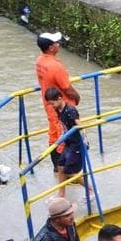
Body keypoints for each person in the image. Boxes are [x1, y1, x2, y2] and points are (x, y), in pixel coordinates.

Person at [36, 32, 80, 196]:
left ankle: (57, 168)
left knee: (54, 133)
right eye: (56, 43)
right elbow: (67, 87)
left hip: (48, 104)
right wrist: (77, 96)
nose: (59, 44)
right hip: (61, 106)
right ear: (51, 47)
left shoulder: (40, 61)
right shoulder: (56, 66)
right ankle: (67, 172)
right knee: (66, 136)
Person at [44, 86, 89, 200]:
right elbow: (62, 125)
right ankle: (61, 193)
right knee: (60, 166)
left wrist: (85, 140)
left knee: (70, 172)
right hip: (68, 142)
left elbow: (81, 125)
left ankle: (91, 189)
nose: (52, 106)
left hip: (76, 143)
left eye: (52, 103)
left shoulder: (71, 110)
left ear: (59, 98)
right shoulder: (58, 109)